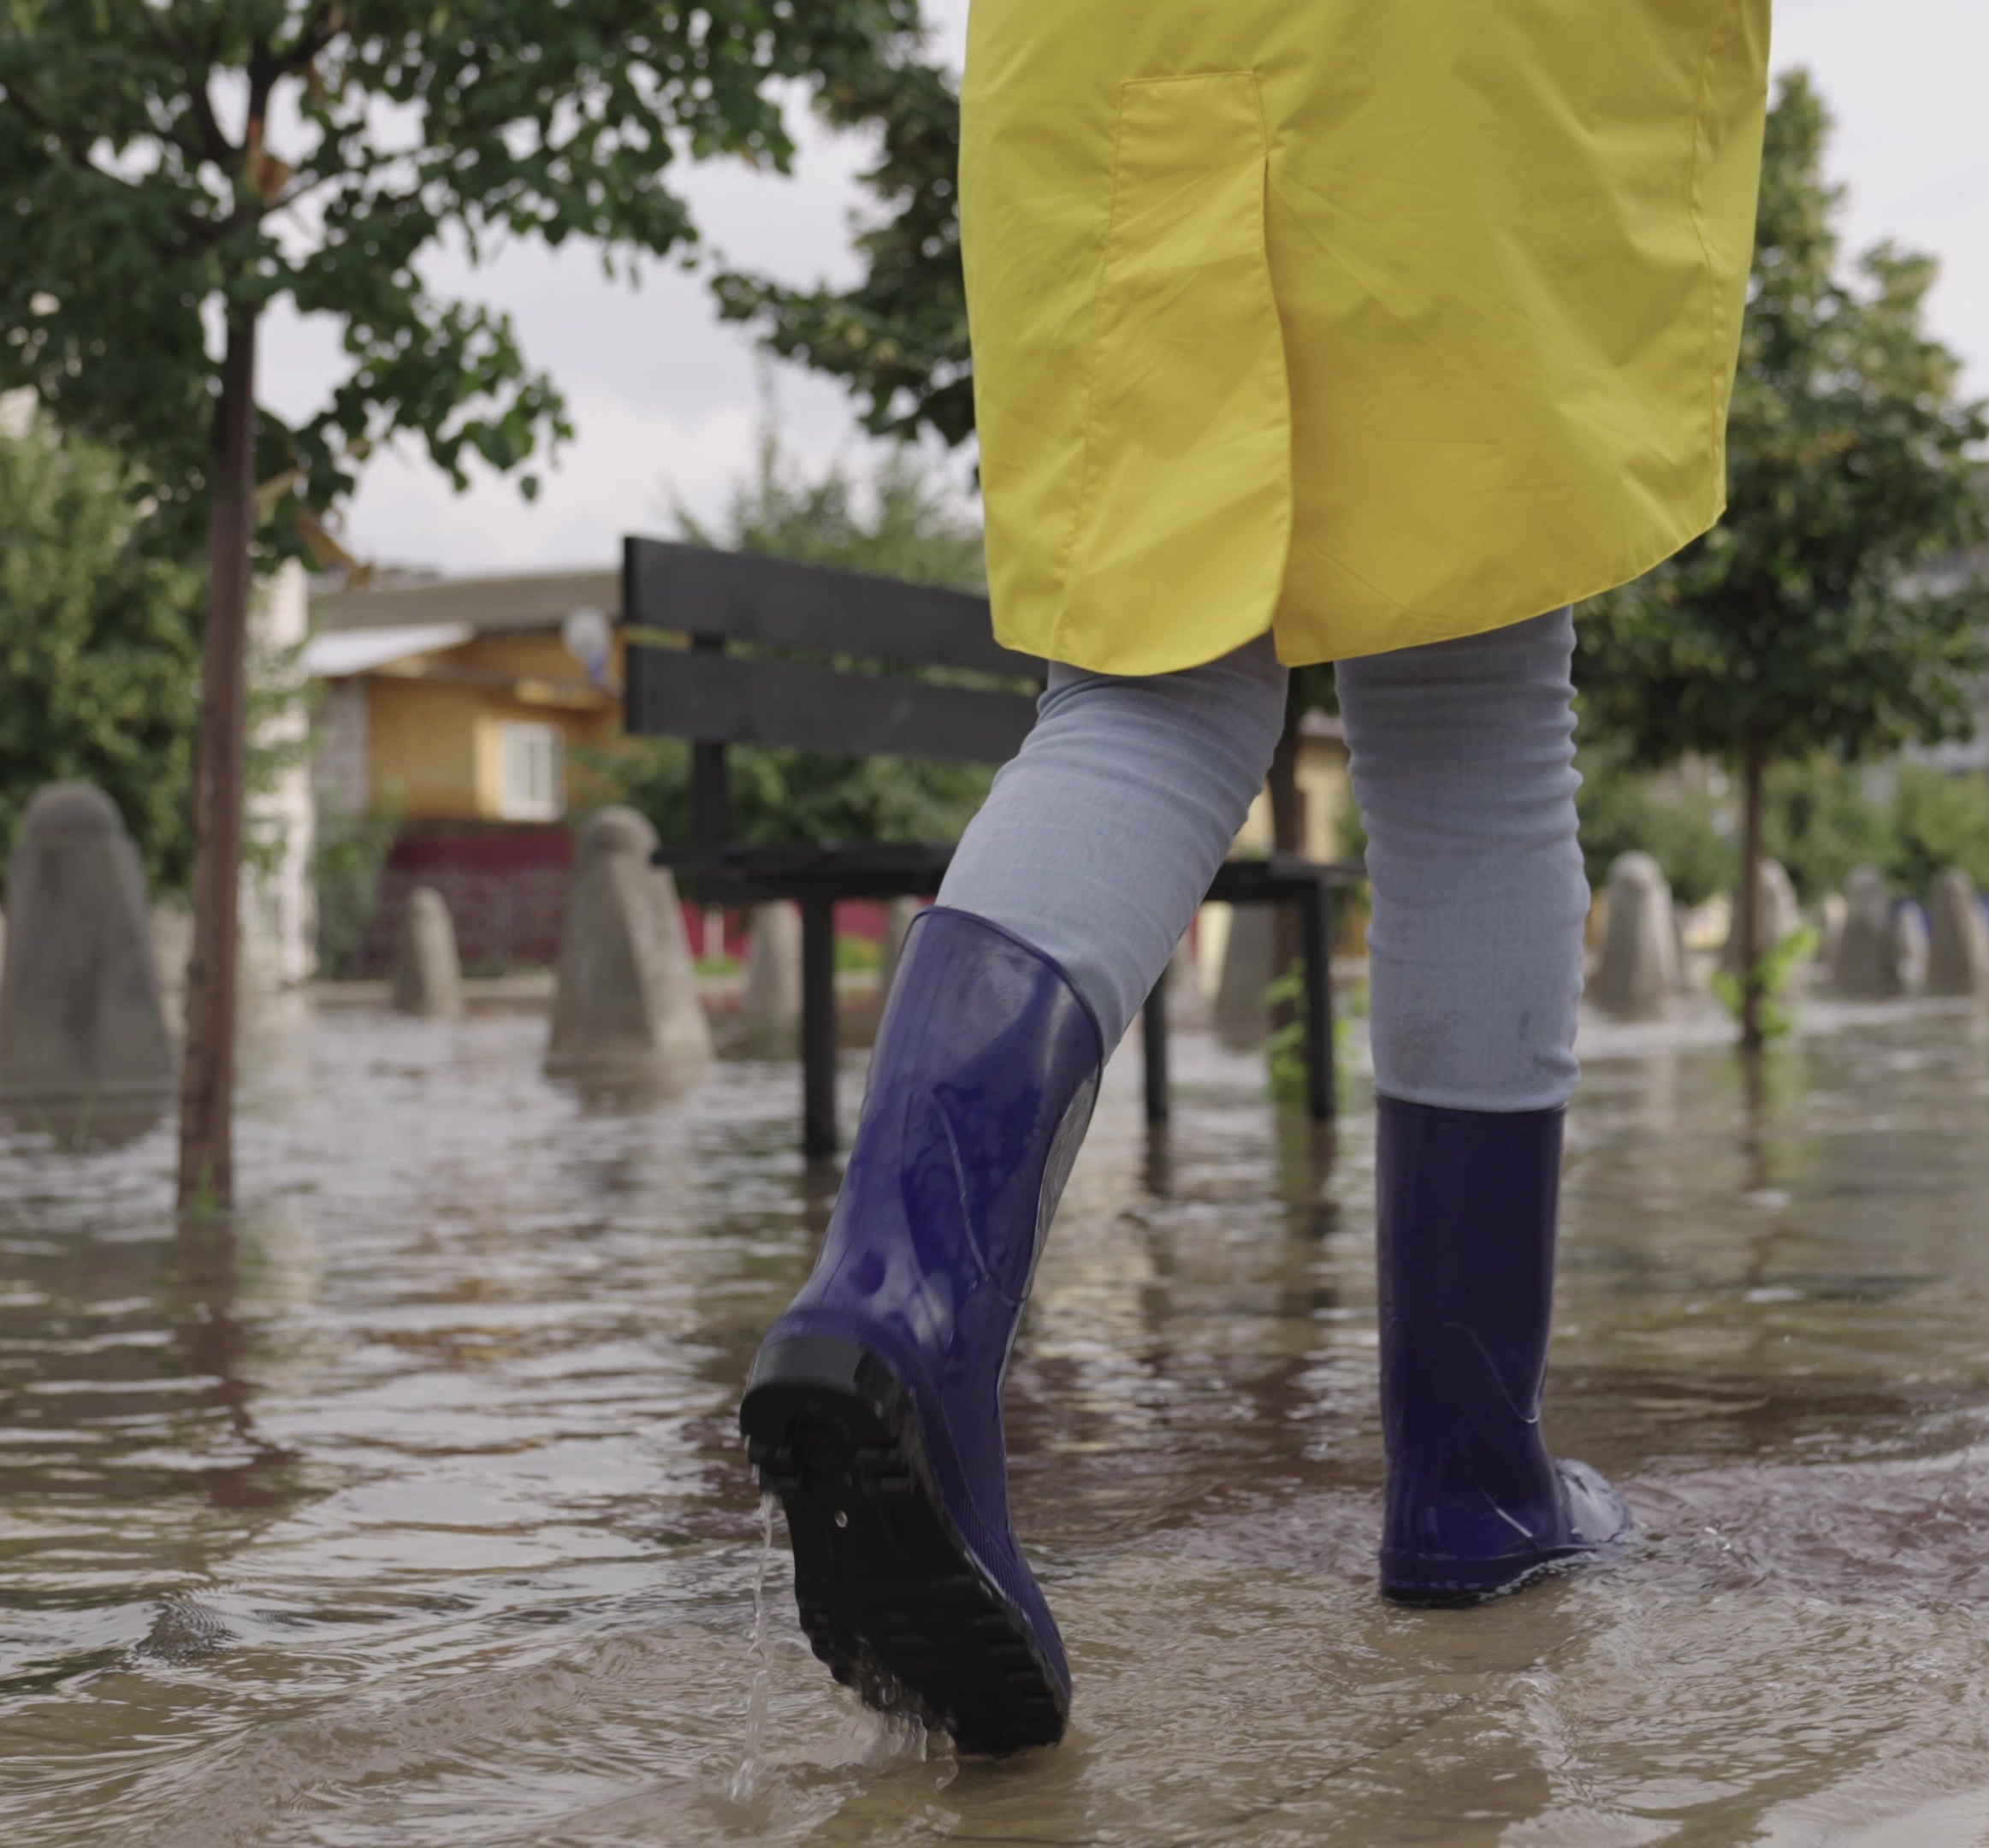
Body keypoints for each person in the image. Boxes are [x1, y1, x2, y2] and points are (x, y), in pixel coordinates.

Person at [738, 0, 1773, 1753]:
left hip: (1126, 45)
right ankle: (1471, 1483)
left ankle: (895, 1298)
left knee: (1141, 695)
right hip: (1466, 62)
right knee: (1474, 707)